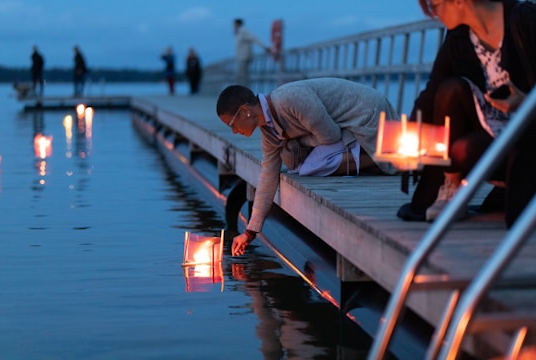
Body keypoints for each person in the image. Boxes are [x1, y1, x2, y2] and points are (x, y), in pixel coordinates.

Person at [216, 78, 398, 256]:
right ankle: (369, 158)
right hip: (344, 126)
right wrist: (250, 231)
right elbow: (268, 175)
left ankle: (378, 159)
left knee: (312, 165)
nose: (233, 131)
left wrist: (297, 140)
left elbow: (331, 136)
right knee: (295, 163)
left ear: (245, 111)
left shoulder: (291, 99)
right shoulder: (269, 132)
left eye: (232, 124)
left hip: (368, 115)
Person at [396, 0, 536, 228]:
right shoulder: (459, 36)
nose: (434, 15)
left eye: (434, 6)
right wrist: (408, 140)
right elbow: (432, 90)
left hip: (528, 134)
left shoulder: (524, 18)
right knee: (450, 90)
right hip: (495, 131)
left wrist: (526, 102)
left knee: (466, 149)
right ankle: (451, 191)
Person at [233, 18, 270, 87]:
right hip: (241, 57)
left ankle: (243, 92)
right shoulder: (238, 32)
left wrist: (264, 47)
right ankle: (241, 91)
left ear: (238, 24)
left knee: (243, 76)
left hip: (244, 57)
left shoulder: (243, 31)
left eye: (234, 24)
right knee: (241, 76)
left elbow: (254, 38)